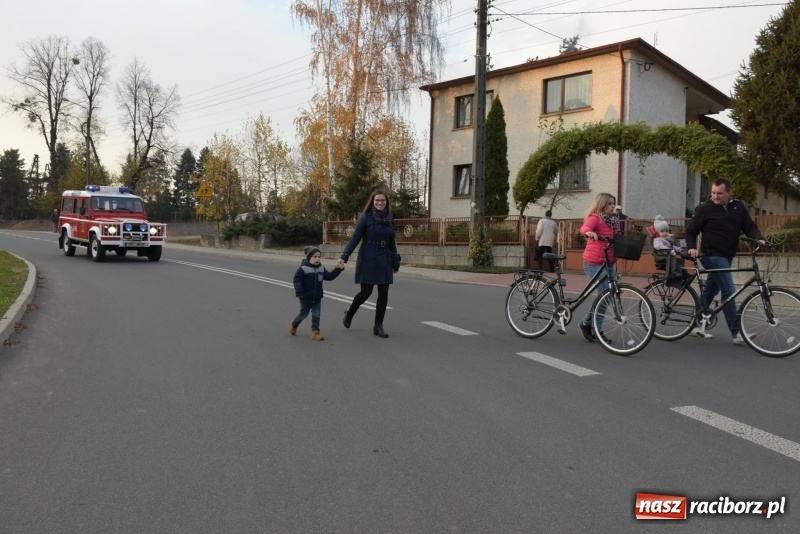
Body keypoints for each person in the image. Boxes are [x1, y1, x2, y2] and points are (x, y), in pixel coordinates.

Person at [685, 178, 764, 344]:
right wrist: (691, 247)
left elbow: (749, 227)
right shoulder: (705, 209)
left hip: (727, 256)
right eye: (713, 193)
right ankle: (737, 333)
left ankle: (694, 325)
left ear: (728, 192)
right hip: (711, 255)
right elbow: (691, 231)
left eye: (719, 193)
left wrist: (759, 239)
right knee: (728, 290)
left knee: (709, 291)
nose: (715, 196)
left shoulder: (738, 207)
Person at [337, 189, 399, 338]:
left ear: (386, 202)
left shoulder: (390, 219)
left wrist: (395, 261)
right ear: (372, 201)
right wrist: (344, 257)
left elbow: (392, 242)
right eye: (377, 200)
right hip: (368, 259)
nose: (379, 203)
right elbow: (355, 238)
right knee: (366, 292)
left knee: (383, 292)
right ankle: (350, 313)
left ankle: (378, 326)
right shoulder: (366, 217)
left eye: (382, 200)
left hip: (384, 259)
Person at [578, 193, 621, 342]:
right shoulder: (595, 218)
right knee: (606, 295)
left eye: (613, 203)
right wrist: (588, 232)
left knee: (609, 296)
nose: (612, 206)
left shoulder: (614, 221)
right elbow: (584, 228)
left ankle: (588, 323)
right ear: (602, 204)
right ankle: (593, 327)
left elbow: (617, 237)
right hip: (594, 263)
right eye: (609, 203)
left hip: (610, 262)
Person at [291, 246, 344, 341]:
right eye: (315, 257)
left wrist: (338, 269)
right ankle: (294, 324)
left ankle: (315, 332)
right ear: (309, 257)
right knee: (303, 315)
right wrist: (299, 292)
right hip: (305, 297)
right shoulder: (303, 269)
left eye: (319, 257)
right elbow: (297, 280)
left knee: (316, 315)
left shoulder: (321, 268)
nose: (317, 259)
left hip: (317, 298)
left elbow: (329, 276)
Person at [652, 215, 685, 283]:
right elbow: (660, 247)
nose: (665, 233)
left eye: (666, 231)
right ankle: (674, 272)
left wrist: (678, 249)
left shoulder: (667, 240)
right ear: (658, 232)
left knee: (679, 261)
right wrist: (671, 251)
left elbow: (672, 246)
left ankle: (683, 273)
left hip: (667, 255)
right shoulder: (657, 240)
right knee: (673, 259)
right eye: (662, 231)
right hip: (662, 256)